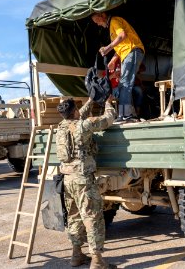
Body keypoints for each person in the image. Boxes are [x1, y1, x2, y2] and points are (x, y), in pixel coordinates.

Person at [56, 96, 117, 269]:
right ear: (75, 111)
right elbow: (107, 119)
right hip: (84, 181)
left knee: (74, 216)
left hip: (68, 180)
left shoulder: (61, 127)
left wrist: (90, 101)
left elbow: (77, 115)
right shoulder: (84, 125)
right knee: (93, 218)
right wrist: (108, 104)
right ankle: (97, 261)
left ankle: (76, 255)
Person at [91, 12, 145, 122]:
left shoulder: (114, 21)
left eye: (97, 21)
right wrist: (113, 59)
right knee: (124, 84)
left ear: (102, 16)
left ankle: (125, 115)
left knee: (125, 83)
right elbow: (121, 45)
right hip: (128, 52)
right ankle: (126, 115)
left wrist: (107, 48)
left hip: (132, 50)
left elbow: (122, 36)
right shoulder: (112, 27)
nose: (97, 24)